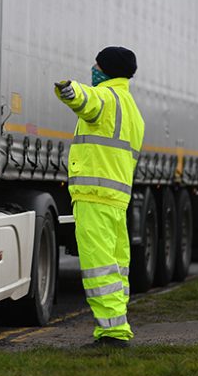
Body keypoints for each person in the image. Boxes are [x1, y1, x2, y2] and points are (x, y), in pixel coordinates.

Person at [54, 46, 144, 348]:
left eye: (96, 63)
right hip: (118, 199)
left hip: (94, 196)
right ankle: (118, 325)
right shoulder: (131, 108)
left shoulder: (105, 98)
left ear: (106, 69)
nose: (92, 67)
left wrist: (66, 88)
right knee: (117, 265)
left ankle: (113, 333)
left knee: (99, 266)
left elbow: (84, 100)